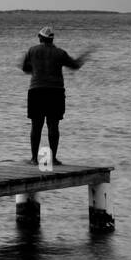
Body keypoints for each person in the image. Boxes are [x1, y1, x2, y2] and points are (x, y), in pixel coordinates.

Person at [19, 26, 90, 165]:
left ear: (40, 38)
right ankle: (53, 159)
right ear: (52, 39)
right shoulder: (60, 53)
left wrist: (35, 68)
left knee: (36, 126)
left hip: (36, 90)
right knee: (53, 125)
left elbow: (25, 68)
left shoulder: (32, 51)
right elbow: (75, 65)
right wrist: (83, 58)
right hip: (55, 91)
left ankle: (34, 159)